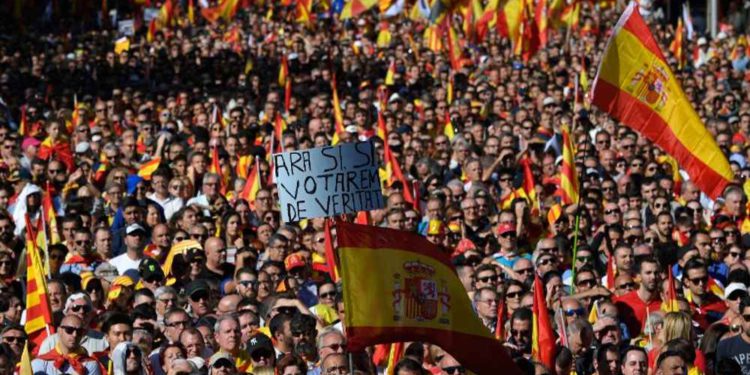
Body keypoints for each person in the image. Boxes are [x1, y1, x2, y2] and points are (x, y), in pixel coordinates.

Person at [32, 314, 102, 374]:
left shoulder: (90, 365)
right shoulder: (41, 362)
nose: (75, 335)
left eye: (79, 331)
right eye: (69, 330)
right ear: (59, 331)